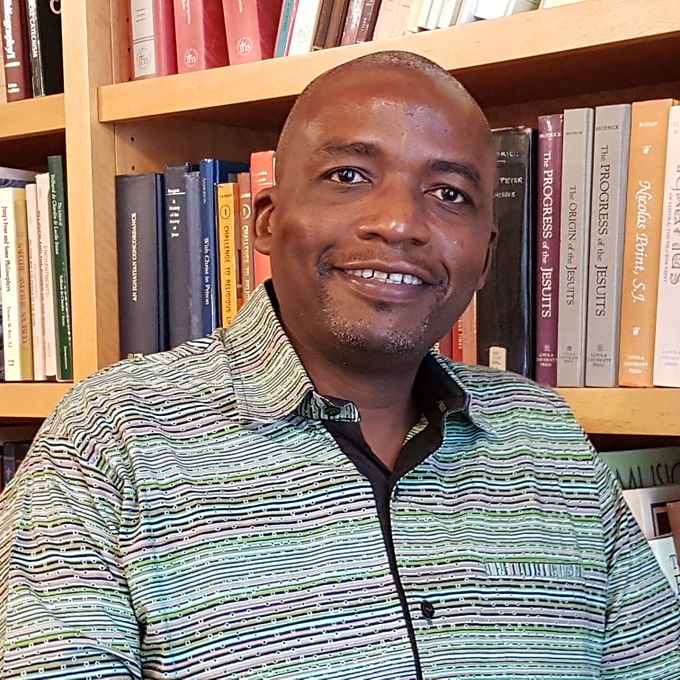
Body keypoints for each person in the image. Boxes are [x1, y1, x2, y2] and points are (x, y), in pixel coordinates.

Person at [1, 50, 678, 679]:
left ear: (486, 257)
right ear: (266, 220)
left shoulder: (547, 437)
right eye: (349, 176)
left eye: (449, 194)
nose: (400, 223)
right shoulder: (110, 439)